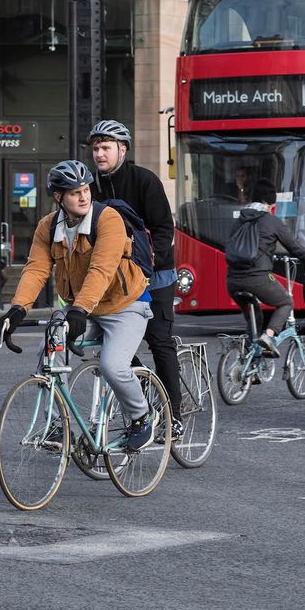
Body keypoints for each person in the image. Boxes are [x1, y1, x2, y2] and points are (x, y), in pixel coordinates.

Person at [0, 160, 158, 451]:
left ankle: (142, 417)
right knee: (51, 345)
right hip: (84, 309)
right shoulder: (48, 226)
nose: (84, 197)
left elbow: (102, 269)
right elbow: (35, 270)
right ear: (58, 196)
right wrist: (18, 309)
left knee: (112, 365)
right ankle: (57, 426)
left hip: (126, 306)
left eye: (86, 190)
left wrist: (79, 309)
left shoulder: (107, 219)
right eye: (74, 192)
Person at [88, 119, 185, 438]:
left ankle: (174, 414)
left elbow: (162, 229)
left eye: (105, 148)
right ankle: (142, 391)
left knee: (159, 340)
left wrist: (146, 266)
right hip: (117, 279)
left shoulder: (145, 180)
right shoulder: (91, 188)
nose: (99, 154)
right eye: (95, 148)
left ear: (122, 149)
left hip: (156, 275)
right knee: (113, 344)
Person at [226, 179, 305, 357]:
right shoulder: (271, 221)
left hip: (232, 281)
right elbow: (295, 247)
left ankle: (248, 361)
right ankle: (269, 337)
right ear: (270, 203)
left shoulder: (239, 219)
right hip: (257, 278)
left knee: (255, 316)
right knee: (286, 302)